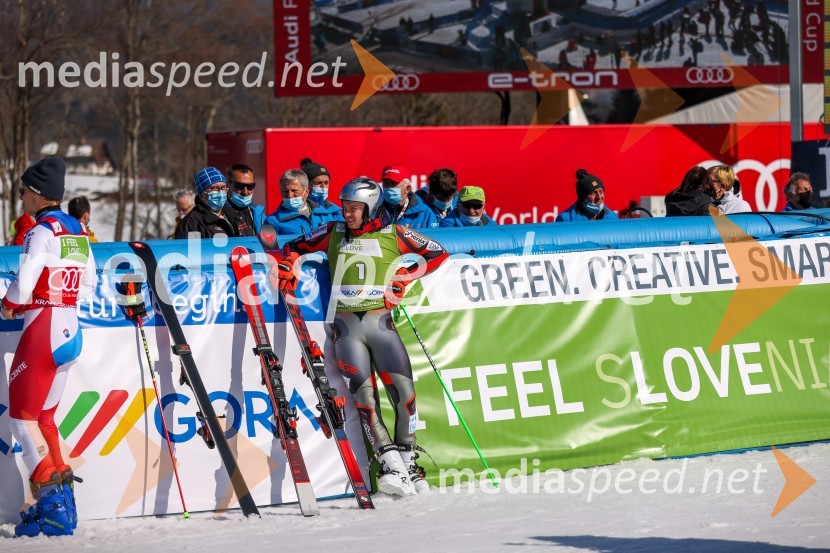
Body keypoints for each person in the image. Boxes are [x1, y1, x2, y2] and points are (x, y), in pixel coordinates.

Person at [272, 177, 449, 497]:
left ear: (370, 208)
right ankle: (391, 465)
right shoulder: (333, 231)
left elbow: (437, 253)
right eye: (345, 207)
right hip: (346, 329)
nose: (347, 213)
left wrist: (405, 276)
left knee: (405, 396)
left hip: (381, 325)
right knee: (365, 402)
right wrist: (290, 261)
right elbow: (294, 245)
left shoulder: (393, 233)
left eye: (354, 208)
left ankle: (409, 463)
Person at [2, 157, 96, 537]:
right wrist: (55, 296)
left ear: (37, 193)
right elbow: (88, 285)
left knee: (22, 419)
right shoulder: (77, 229)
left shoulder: (39, 231)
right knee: (44, 419)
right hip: (71, 329)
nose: (20, 195)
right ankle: (65, 505)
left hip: (45, 330)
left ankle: (53, 509)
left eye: (23, 189)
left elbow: (23, 286)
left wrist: (9, 304)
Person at [264, 169, 341, 235]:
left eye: (294, 190)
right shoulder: (272, 222)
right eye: (285, 191)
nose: (290, 195)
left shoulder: (325, 215)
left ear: (306, 191)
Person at [174, 167, 237, 239]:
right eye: (214, 188)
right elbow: (191, 246)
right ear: (201, 194)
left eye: (223, 187)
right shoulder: (192, 223)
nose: (220, 193)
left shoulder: (234, 215)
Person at [223, 164, 266, 237]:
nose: (245, 192)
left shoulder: (259, 213)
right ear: (228, 184)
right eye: (239, 186)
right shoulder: (219, 212)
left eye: (250, 186)